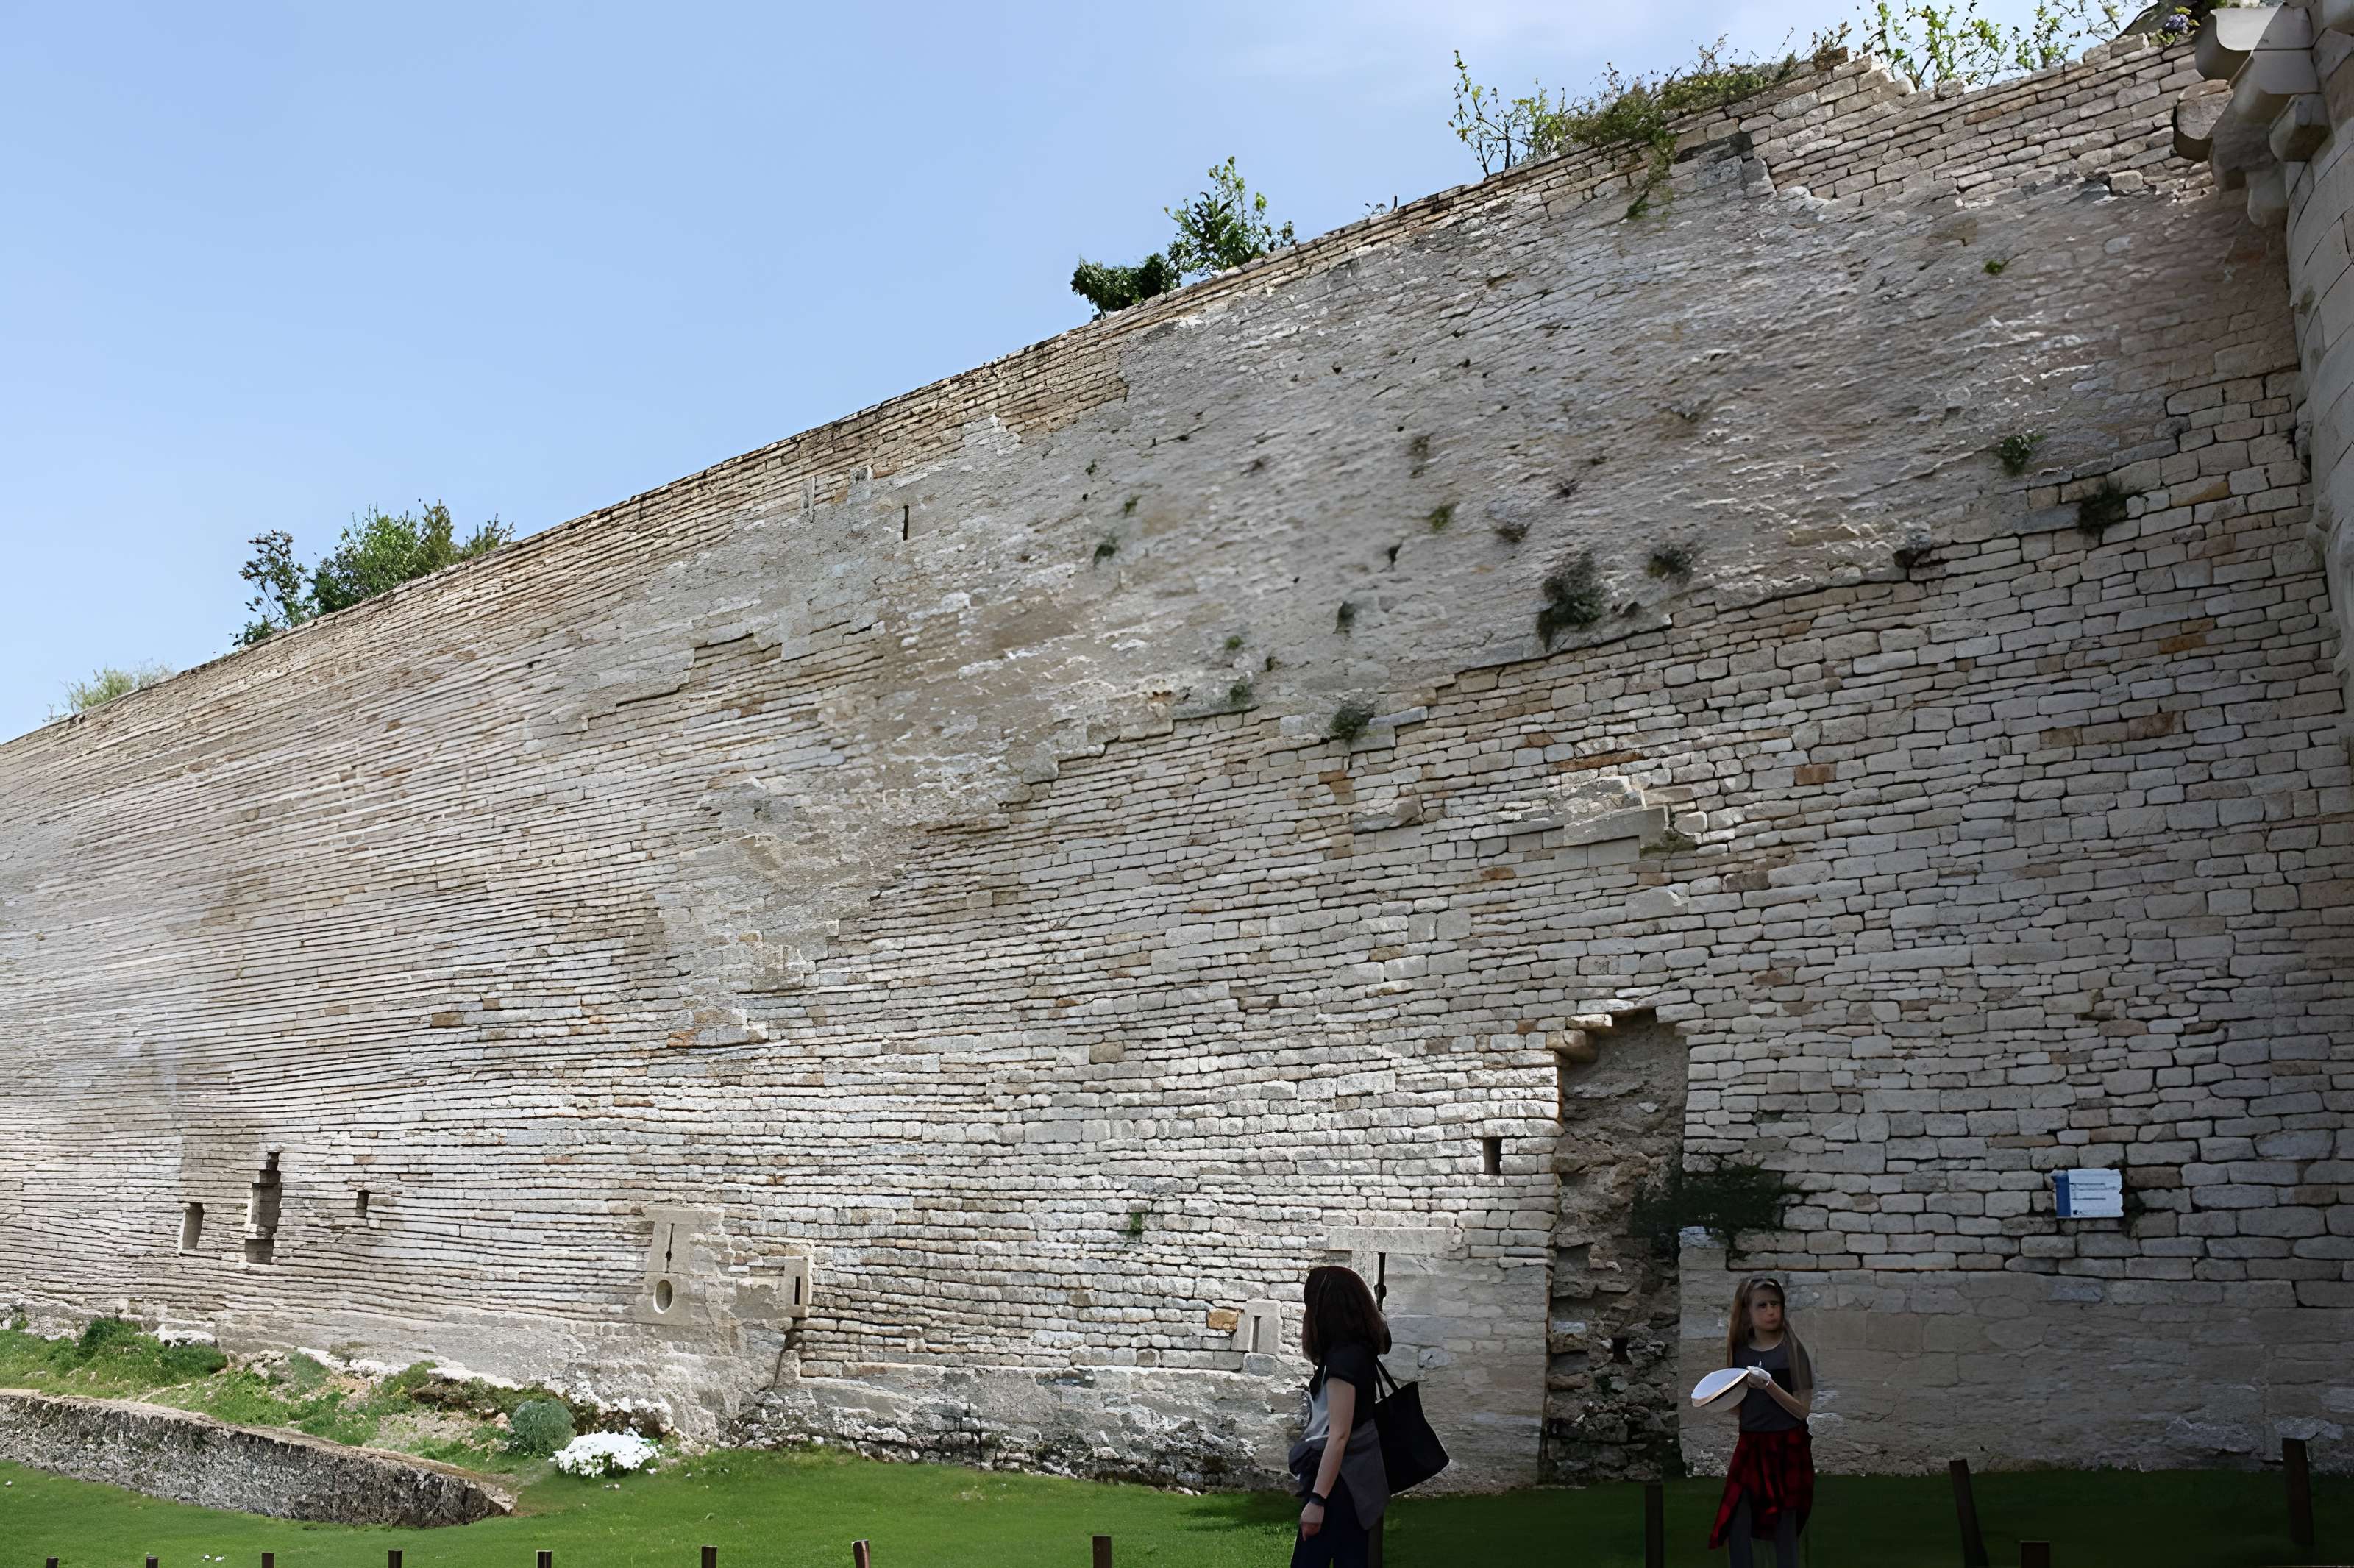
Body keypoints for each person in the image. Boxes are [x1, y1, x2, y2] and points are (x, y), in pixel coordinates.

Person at [1287, 1265, 1390, 1568]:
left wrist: (1317, 1502)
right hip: (1351, 1486)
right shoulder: (1360, 1351)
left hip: (1339, 1489)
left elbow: (1339, 1435)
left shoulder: (1343, 1361)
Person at [1709, 1275, 1816, 1568]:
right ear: (1747, 1311)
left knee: (1784, 1521)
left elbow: (1802, 1410)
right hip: (1752, 1443)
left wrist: (1769, 1385)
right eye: (1762, 1305)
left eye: (1776, 1304)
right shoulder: (1740, 1351)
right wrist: (1716, 1398)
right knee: (1737, 1517)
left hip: (1787, 1444)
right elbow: (1740, 1407)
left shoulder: (1793, 1352)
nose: (1771, 1311)